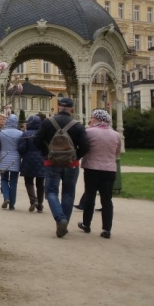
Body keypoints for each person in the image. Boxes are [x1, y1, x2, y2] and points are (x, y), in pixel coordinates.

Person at [33, 97, 90, 238]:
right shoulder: (77, 125)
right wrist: (76, 156)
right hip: (71, 164)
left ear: (58, 107)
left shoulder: (47, 122)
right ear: (71, 109)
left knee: (51, 192)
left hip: (52, 162)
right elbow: (85, 146)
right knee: (69, 194)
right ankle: (64, 223)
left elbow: (36, 140)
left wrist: (46, 153)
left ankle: (60, 219)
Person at [77, 109, 121, 239]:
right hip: (109, 169)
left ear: (97, 119)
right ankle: (106, 229)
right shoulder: (115, 134)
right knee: (107, 199)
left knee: (90, 196)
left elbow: (83, 148)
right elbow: (117, 152)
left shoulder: (89, 132)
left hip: (92, 168)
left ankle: (86, 224)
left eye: (92, 117)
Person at [0, 114, 23, 210]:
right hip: (15, 158)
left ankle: (6, 197)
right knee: (13, 182)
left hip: (3, 158)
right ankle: (12, 204)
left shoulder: (1, 132)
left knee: (4, 179)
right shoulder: (20, 133)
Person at [18, 115, 46, 213]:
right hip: (41, 159)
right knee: (40, 183)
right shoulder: (42, 134)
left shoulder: (25, 134)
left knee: (29, 181)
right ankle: (40, 204)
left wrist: (23, 154)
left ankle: (33, 200)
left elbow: (22, 148)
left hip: (28, 159)